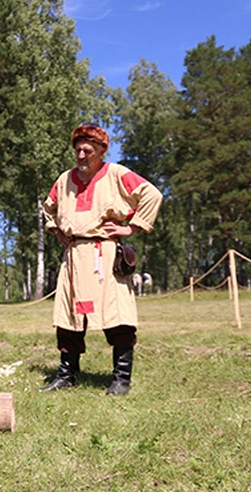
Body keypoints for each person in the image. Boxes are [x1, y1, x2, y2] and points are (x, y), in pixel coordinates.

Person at [41, 124, 163, 395]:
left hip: (104, 253)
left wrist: (131, 227)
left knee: (116, 314)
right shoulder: (65, 179)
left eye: (88, 150)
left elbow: (152, 194)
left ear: (101, 151)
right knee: (69, 317)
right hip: (74, 255)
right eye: (78, 150)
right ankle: (67, 374)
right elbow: (48, 208)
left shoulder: (117, 173)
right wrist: (57, 230)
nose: (82, 155)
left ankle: (121, 379)